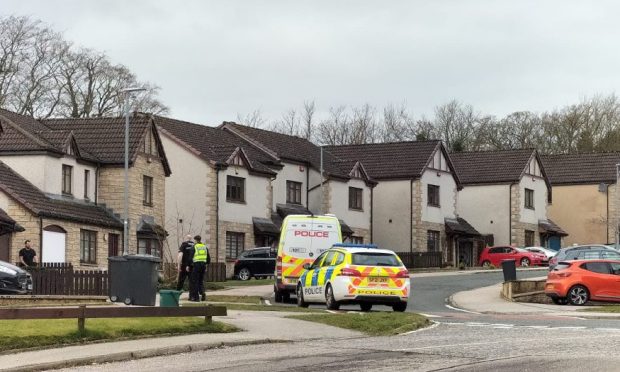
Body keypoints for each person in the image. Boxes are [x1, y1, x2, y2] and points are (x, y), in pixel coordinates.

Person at [189, 235, 210, 302]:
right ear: (200, 239)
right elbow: (208, 258)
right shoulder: (205, 247)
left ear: (195, 240)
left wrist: (189, 265)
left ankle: (196, 298)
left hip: (196, 265)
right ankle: (202, 293)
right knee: (200, 281)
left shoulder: (194, 247)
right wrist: (206, 264)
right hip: (203, 265)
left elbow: (190, 257)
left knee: (195, 281)